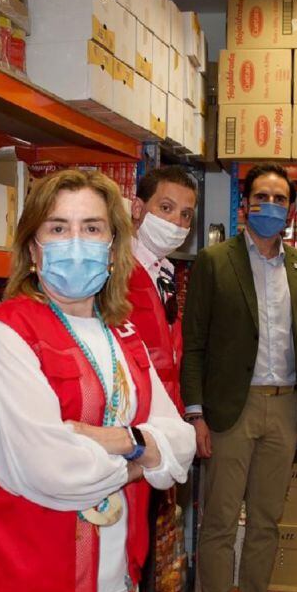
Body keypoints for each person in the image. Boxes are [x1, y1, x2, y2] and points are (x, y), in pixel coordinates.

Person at [0, 169, 196, 592]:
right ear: (32, 249)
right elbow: (52, 469)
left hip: (117, 584)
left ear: (112, 247)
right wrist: (145, 456)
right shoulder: (6, 335)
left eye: (92, 228)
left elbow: (180, 442)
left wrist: (126, 441)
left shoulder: (124, 334)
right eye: (58, 228)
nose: (76, 241)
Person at [181, 163, 297, 592]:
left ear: (292, 211)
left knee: (266, 523)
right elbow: (195, 342)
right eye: (260, 197)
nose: (269, 205)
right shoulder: (214, 261)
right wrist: (196, 414)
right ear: (245, 205)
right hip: (230, 410)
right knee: (221, 524)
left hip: (285, 408)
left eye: (279, 199)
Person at [128, 165, 199, 413]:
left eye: (186, 214)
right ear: (138, 208)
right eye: (166, 208)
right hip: (133, 411)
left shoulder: (166, 271)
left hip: (166, 409)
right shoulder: (115, 271)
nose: (176, 222)